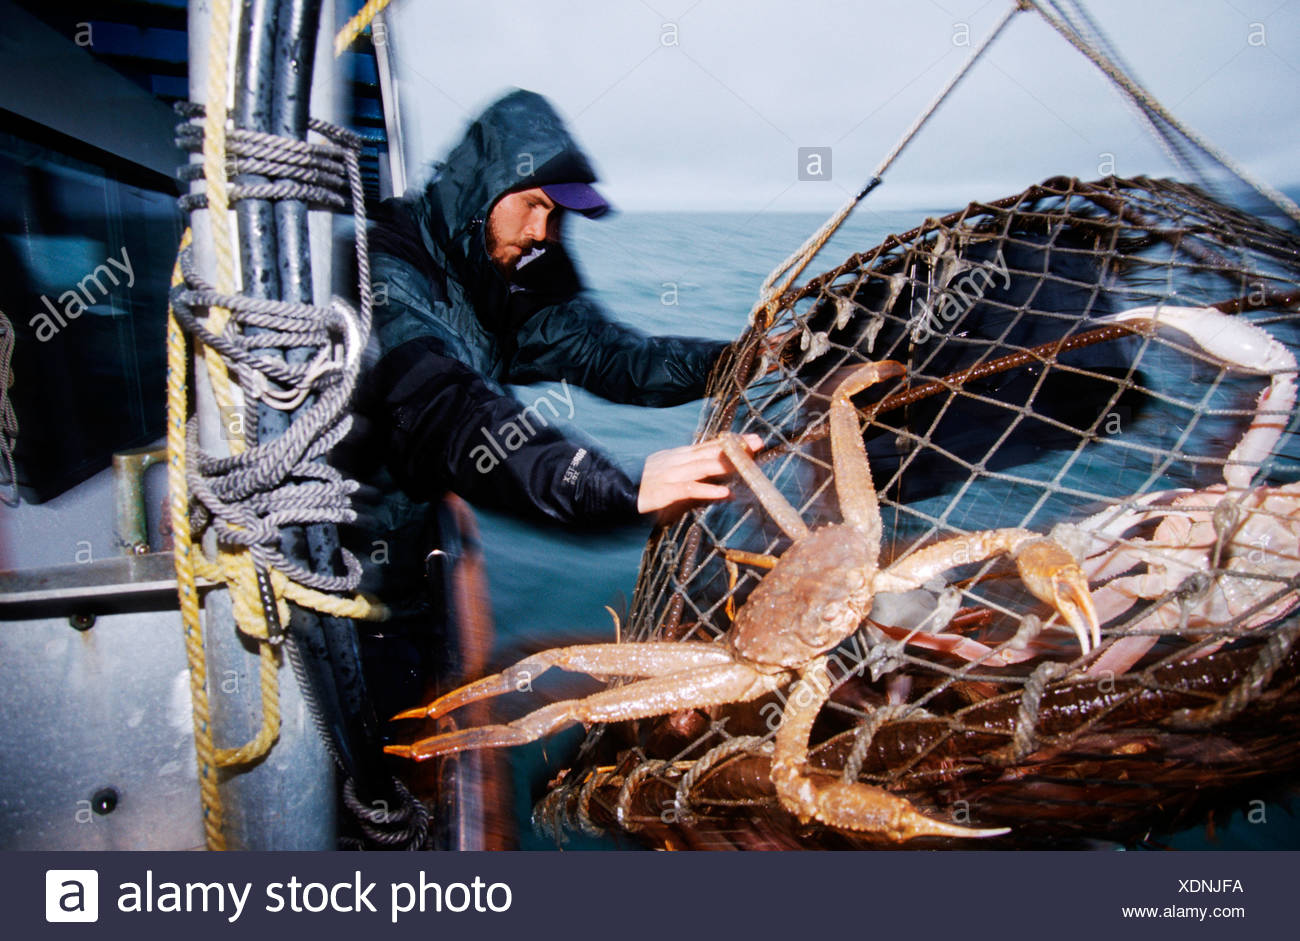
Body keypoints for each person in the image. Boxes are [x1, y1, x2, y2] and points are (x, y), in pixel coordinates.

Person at [338, 89, 756, 718]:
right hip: (351, 591)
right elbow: (449, 415)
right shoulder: (388, 275)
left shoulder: (505, 273)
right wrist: (608, 487)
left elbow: (616, 357)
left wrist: (743, 359)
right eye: (534, 206)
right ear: (483, 190)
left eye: (556, 217)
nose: (541, 234)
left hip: (421, 553)